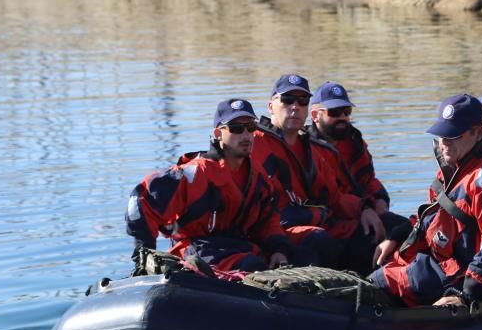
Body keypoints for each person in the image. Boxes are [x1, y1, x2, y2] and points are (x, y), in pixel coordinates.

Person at [372, 94, 482, 307]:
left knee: (377, 285)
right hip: (445, 264)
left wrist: (466, 294)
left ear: (477, 132)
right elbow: (432, 215)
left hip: (462, 274)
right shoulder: (455, 169)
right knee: (375, 275)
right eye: (441, 135)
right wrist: (397, 236)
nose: (444, 143)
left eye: (452, 136)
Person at [125, 99, 291, 273]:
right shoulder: (194, 174)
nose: (246, 135)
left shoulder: (258, 175)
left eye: (250, 127)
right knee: (251, 265)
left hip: (240, 247)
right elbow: (140, 199)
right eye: (236, 128)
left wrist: (278, 249)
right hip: (197, 250)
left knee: (301, 254)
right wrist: (145, 254)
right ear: (218, 134)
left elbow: (267, 219)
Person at [252, 74, 379, 270]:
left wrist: (365, 209)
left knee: (371, 232)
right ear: (271, 107)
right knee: (319, 242)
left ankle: (376, 291)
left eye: (302, 101)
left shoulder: (313, 149)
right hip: (276, 229)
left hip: (313, 223)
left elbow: (334, 197)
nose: (295, 107)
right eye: (287, 100)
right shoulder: (253, 143)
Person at [307, 81, 412, 272]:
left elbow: (368, 179)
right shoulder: (306, 149)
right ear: (315, 115)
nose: (343, 118)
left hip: (363, 215)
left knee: (404, 228)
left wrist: (380, 200)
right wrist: (363, 210)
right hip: (334, 223)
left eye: (346, 111)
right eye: (335, 113)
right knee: (367, 240)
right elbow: (330, 197)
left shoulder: (353, 141)